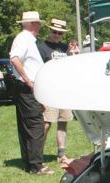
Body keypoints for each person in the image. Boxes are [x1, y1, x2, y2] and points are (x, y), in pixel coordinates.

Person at [10, 11, 53, 175]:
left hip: (25, 87)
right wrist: (28, 81)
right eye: (38, 23)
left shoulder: (25, 39)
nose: (40, 26)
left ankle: (30, 162)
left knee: (28, 125)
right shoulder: (24, 38)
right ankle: (36, 165)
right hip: (27, 87)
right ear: (34, 24)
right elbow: (14, 58)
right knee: (35, 125)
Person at [38, 18, 74, 163]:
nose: (57, 35)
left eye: (60, 33)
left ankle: (61, 154)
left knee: (63, 122)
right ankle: (37, 153)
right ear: (49, 31)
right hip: (48, 91)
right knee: (46, 122)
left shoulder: (65, 48)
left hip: (63, 91)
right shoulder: (41, 47)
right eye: (54, 32)